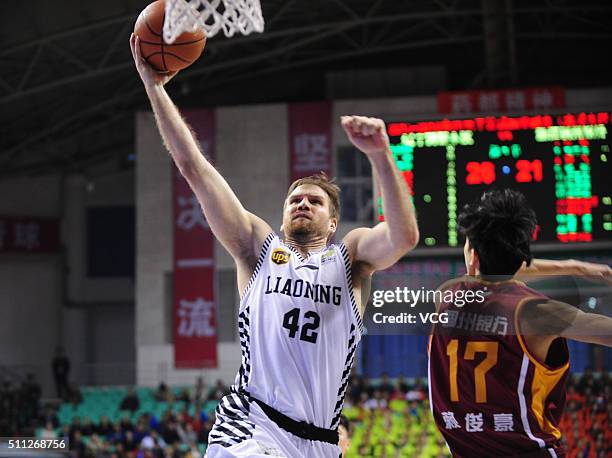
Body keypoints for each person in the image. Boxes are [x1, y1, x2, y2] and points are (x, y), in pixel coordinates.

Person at [130, 31, 418, 458]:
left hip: (319, 440)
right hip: (252, 425)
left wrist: (380, 156)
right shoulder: (257, 247)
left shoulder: (351, 256)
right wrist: (154, 87)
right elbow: (194, 168)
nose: (302, 202)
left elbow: (404, 236)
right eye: (294, 199)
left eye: (314, 201)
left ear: (333, 221)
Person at [428, 189, 612, 457]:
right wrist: (578, 267)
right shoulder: (536, 314)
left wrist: (575, 266)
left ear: (473, 256)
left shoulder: (447, 295)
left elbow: (498, 268)